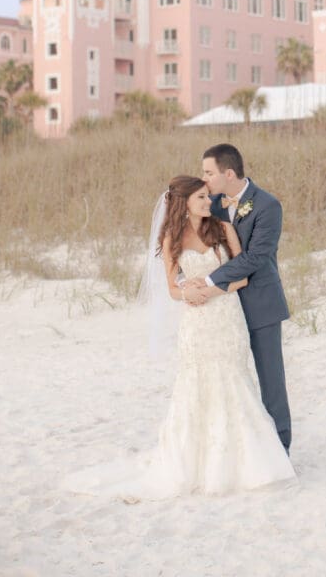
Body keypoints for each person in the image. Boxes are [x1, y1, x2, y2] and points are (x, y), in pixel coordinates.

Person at [62, 175, 294, 499]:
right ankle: (196, 465)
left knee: (234, 381)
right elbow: (172, 289)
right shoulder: (172, 237)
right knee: (196, 386)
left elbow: (242, 277)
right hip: (196, 323)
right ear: (184, 202)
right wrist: (187, 293)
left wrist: (210, 290)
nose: (207, 202)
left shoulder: (224, 229)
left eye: (207, 196)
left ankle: (249, 464)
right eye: (200, 197)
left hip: (227, 317)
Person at [181, 144, 292, 455]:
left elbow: (257, 257)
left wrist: (206, 281)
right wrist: (186, 282)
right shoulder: (208, 203)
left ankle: (280, 451)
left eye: (208, 172)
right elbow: (187, 245)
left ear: (228, 173)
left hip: (260, 304)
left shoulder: (268, 206)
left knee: (271, 382)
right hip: (220, 311)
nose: (204, 178)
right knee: (226, 381)